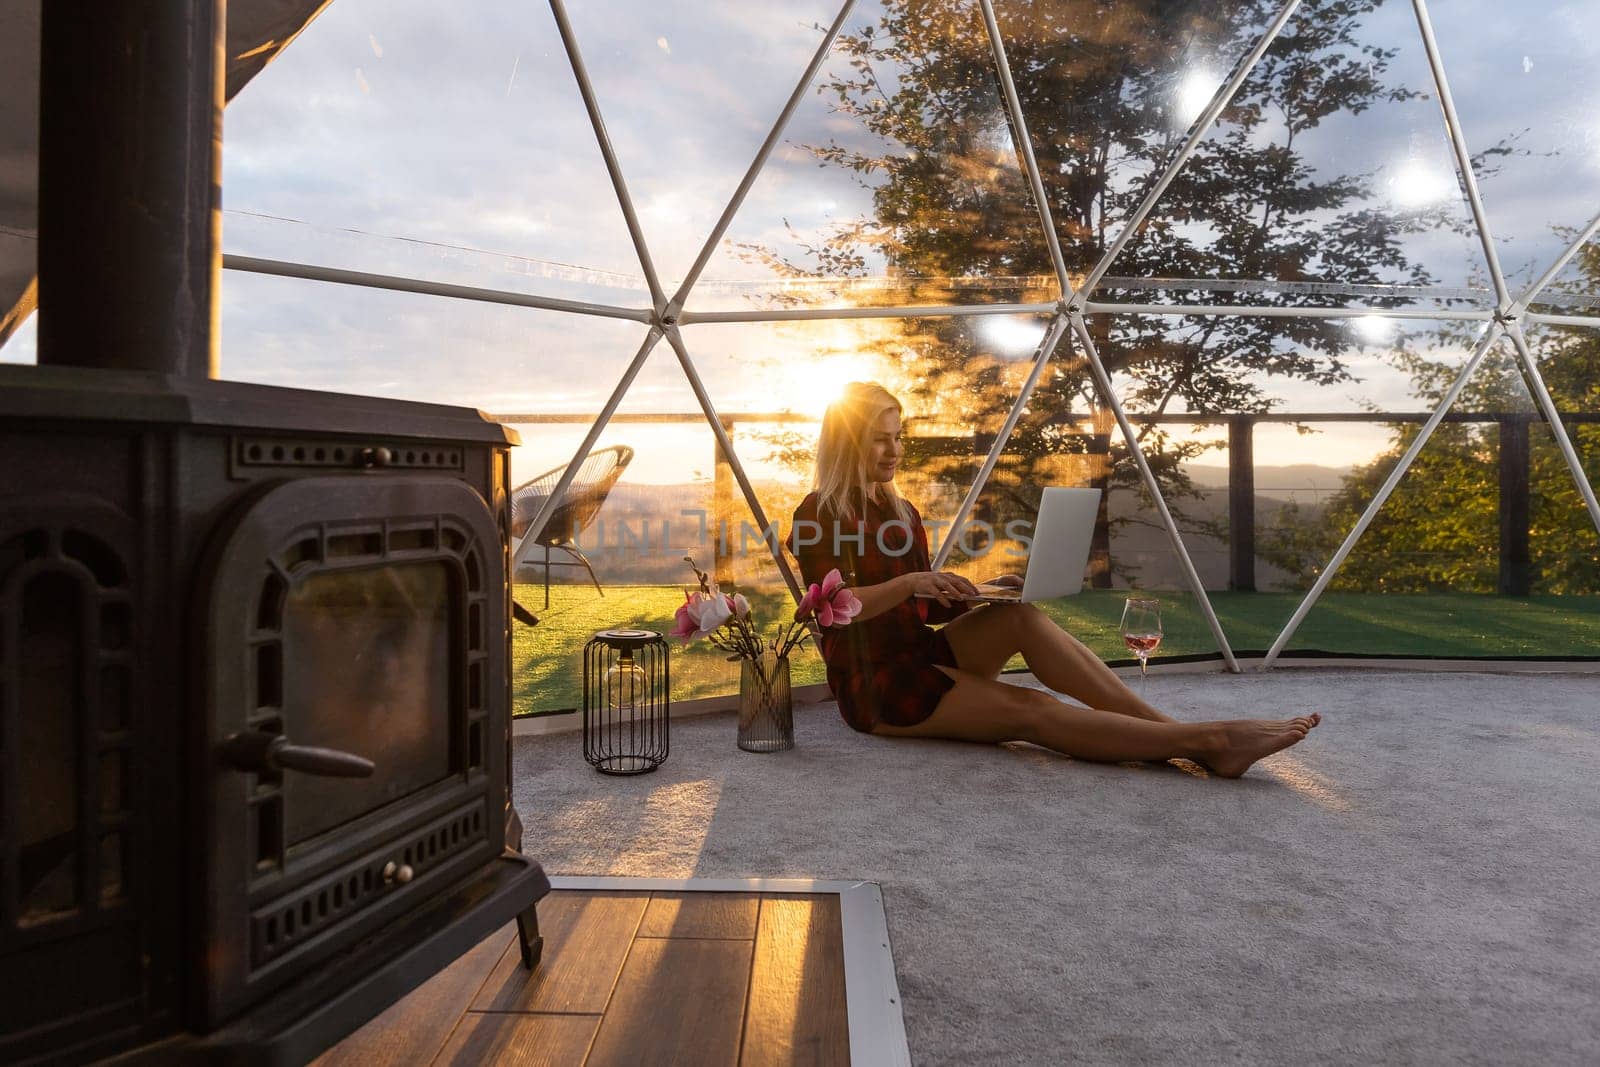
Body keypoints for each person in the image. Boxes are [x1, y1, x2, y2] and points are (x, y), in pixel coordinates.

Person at [789, 382, 1319, 778]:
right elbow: (831, 609)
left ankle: (1162, 728)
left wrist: (978, 591)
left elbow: (920, 609)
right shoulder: (818, 512)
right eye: (880, 440)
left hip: (920, 653)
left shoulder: (900, 509)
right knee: (1033, 710)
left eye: (897, 437)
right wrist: (912, 584)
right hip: (876, 686)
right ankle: (1209, 740)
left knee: (1018, 616)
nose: (895, 450)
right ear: (847, 443)